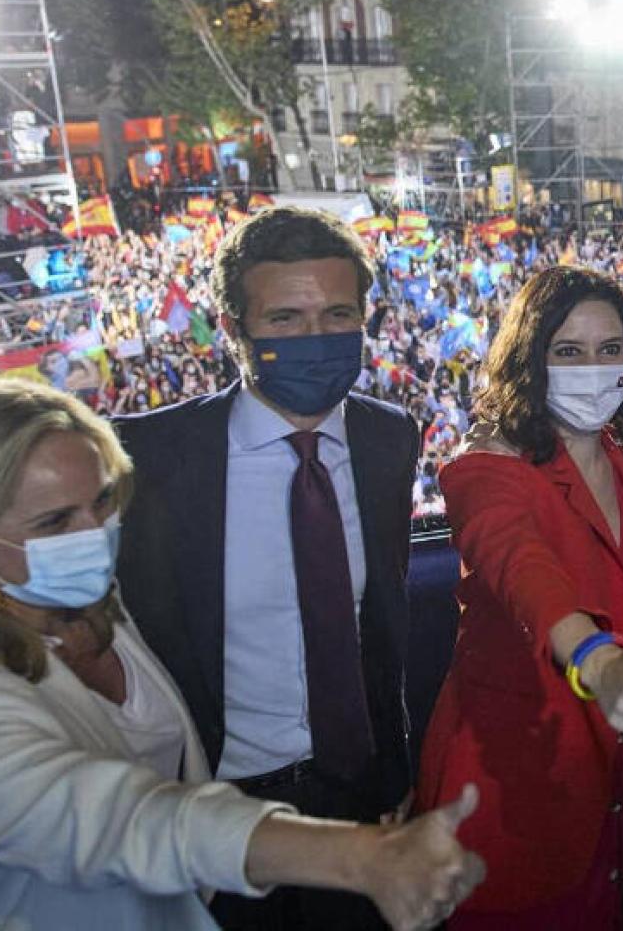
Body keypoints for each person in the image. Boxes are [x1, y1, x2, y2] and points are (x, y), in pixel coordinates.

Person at [0, 378, 484, 931]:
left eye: (103, 500)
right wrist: (363, 858)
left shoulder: (99, 607)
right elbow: (127, 819)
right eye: (55, 521)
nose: (96, 533)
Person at [113, 207, 422, 928]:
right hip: (213, 806)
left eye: (339, 313)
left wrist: (393, 770)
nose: (317, 338)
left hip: (358, 795)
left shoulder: (387, 438)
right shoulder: (150, 458)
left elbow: (379, 623)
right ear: (232, 329)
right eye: (286, 318)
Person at [414, 266, 623, 927]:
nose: (592, 367)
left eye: (608, 349)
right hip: (515, 788)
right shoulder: (488, 470)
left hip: (612, 782)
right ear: (533, 361)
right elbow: (523, 570)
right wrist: (594, 658)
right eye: (568, 351)